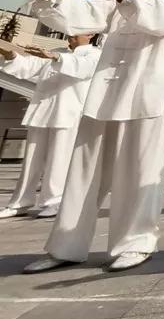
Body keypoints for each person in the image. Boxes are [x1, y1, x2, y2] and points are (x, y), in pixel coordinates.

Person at [16, 0, 164, 272]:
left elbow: (161, 20)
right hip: (106, 98)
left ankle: (136, 242)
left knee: (138, 173)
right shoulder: (122, 5)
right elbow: (86, 14)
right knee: (83, 174)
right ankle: (65, 246)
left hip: (146, 99)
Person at [0, 34, 101, 219]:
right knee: (30, 161)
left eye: (76, 30)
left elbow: (83, 69)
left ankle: (54, 201)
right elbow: (29, 67)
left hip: (68, 114)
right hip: (42, 112)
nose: (71, 35)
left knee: (59, 160)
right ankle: (20, 202)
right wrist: (10, 55)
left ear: (91, 34)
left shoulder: (95, 54)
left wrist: (55, 57)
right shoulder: (56, 52)